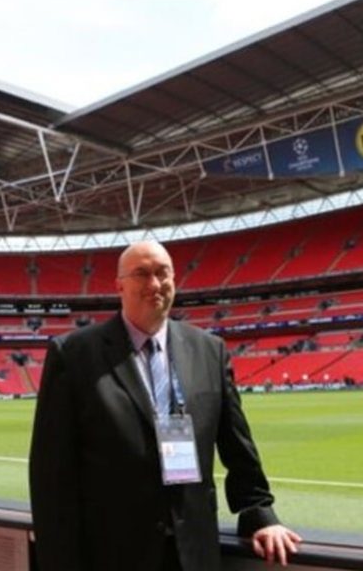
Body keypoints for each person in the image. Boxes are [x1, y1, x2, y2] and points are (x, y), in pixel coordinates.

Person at [29, 241, 301, 570]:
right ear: (119, 286)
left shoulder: (209, 350)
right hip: (112, 555)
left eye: (163, 273)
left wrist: (259, 512)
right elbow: (51, 475)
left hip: (194, 554)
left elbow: (237, 443)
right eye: (141, 274)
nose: (154, 283)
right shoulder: (74, 354)